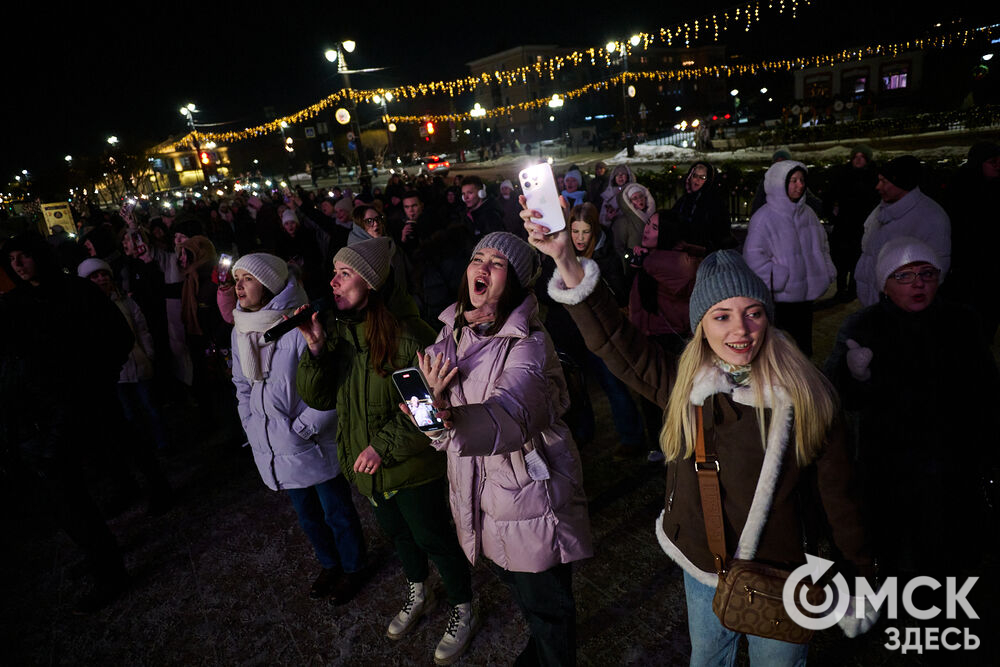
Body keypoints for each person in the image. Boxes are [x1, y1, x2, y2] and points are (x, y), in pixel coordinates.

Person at [523, 208, 877, 665]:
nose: (741, 330)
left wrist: (859, 575)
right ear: (701, 327)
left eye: (752, 313)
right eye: (722, 316)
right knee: (708, 658)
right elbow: (615, 340)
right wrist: (566, 260)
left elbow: (840, 500)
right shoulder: (685, 388)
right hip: (703, 568)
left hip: (783, 574)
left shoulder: (807, 396)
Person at [413, 231, 593, 666]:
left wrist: (450, 420)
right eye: (478, 257)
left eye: (497, 262)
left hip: (529, 497)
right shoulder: (452, 330)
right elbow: (438, 424)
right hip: (479, 491)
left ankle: (554, 656)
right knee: (515, 582)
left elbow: (511, 414)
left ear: (514, 281)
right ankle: (544, 646)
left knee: (548, 604)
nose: (483, 267)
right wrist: (428, 413)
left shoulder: (527, 341)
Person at [294, 237, 474, 665]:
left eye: (345, 274)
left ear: (371, 284)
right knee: (398, 534)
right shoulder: (340, 333)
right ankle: (419, 590)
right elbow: (318, 397)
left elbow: (429, 412)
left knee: (433, 536)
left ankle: (464, 605)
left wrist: (382, 445)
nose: (333, 283)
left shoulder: (406, 336)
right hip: (369, 468)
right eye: (334, 272)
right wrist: (316, 349)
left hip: (411, 467)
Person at [825, 236, 998, 579]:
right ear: (884, 285)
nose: (918, 283)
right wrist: (855, 373)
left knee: (944, 554)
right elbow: (835, 397)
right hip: (886, 463)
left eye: (926, 273)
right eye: (903, 276)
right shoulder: (863, 327)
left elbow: (987, 391)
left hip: (952, 462)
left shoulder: (962, 322)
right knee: (887, 548)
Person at [226, 253, 367, 602]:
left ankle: (354, 567)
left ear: (270, 284)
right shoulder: (240, 328)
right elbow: (242, 384)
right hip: (274, 442)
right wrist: (250, 423)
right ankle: (329, 563)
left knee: (336, 510)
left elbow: (330, 384)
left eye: (248, 278)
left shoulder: (300, 324)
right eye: (236, 279)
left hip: (310, 440)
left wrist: (303, 428)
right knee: (307, 515)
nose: (238, 286)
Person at [538, 203, 646, 459]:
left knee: (613, 385)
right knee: (576, 389)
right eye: (575, 231)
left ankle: (632, 437)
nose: (579, 238)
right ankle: (583, 433)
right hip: (566, 332)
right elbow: (544, 292)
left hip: (597, 334)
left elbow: (617, 294)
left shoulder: (604, 258)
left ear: (594, 231)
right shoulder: (559, 254)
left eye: (585, 232)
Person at [743, 160, 835, 357]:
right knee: (782, 349)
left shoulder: (808, 213)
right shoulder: (764, 217)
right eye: (793, 180)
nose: (800, 185)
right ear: (779, 183)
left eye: (802, 180)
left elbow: (822, 244)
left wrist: (825, 270)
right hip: (781, 298)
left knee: (803, 348)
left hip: (806, 297)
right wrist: (779, 278)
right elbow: (753, 257)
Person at [853, 155, 951, 307]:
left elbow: (936, 270)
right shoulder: (882, 209)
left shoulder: (931, 217)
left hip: (903, 308)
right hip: (876, 304)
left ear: (902, 183)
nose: (877, 187)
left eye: (884, 182)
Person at [824, 145, 879, 302]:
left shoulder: (873, 177)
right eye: (856, 157)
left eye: (862, 157)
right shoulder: (843, 174)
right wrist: (832, 215)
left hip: (861, 227)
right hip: (843, 226)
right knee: (840, 261)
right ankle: (840, 290)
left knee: (857, 260)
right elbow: (830, 195)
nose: (858, 159)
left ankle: (852, 290)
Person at [672, 161, 734, 252]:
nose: (697, 180)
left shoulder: (715, 203)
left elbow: (721, 233)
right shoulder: (683, 201)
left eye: (702, 177)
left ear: (708, 180)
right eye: (695, 176)